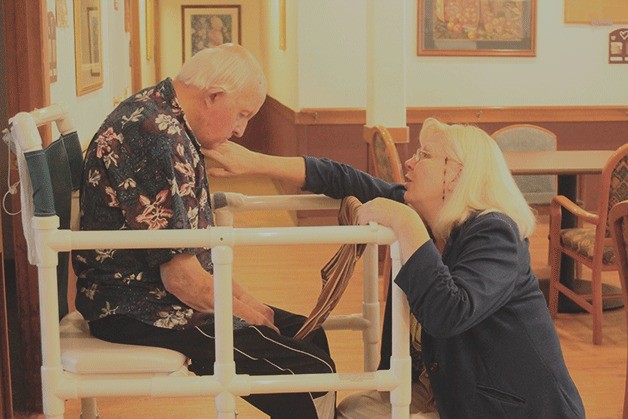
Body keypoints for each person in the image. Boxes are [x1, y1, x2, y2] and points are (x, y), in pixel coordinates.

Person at [202, 118, 586, 418]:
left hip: (507, 407)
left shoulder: (494, 231)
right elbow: (342, 177)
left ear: (456, 173)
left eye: (424, 155)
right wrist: (254, 162)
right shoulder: (427, 216)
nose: (410, 162)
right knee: (348, 410)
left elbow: (449, 313)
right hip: (445, 389)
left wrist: (404, 223)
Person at [73, 44, 336, 419]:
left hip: (159, 297)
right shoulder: (153, 134)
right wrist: (248, 314)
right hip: (136, 309)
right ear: (213, 96)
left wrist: (252, 306)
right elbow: (182, 279)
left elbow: (195, 262)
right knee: (310, 371)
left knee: (308, 334)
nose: (241, 130)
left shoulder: (166, 119)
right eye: (241, 114)